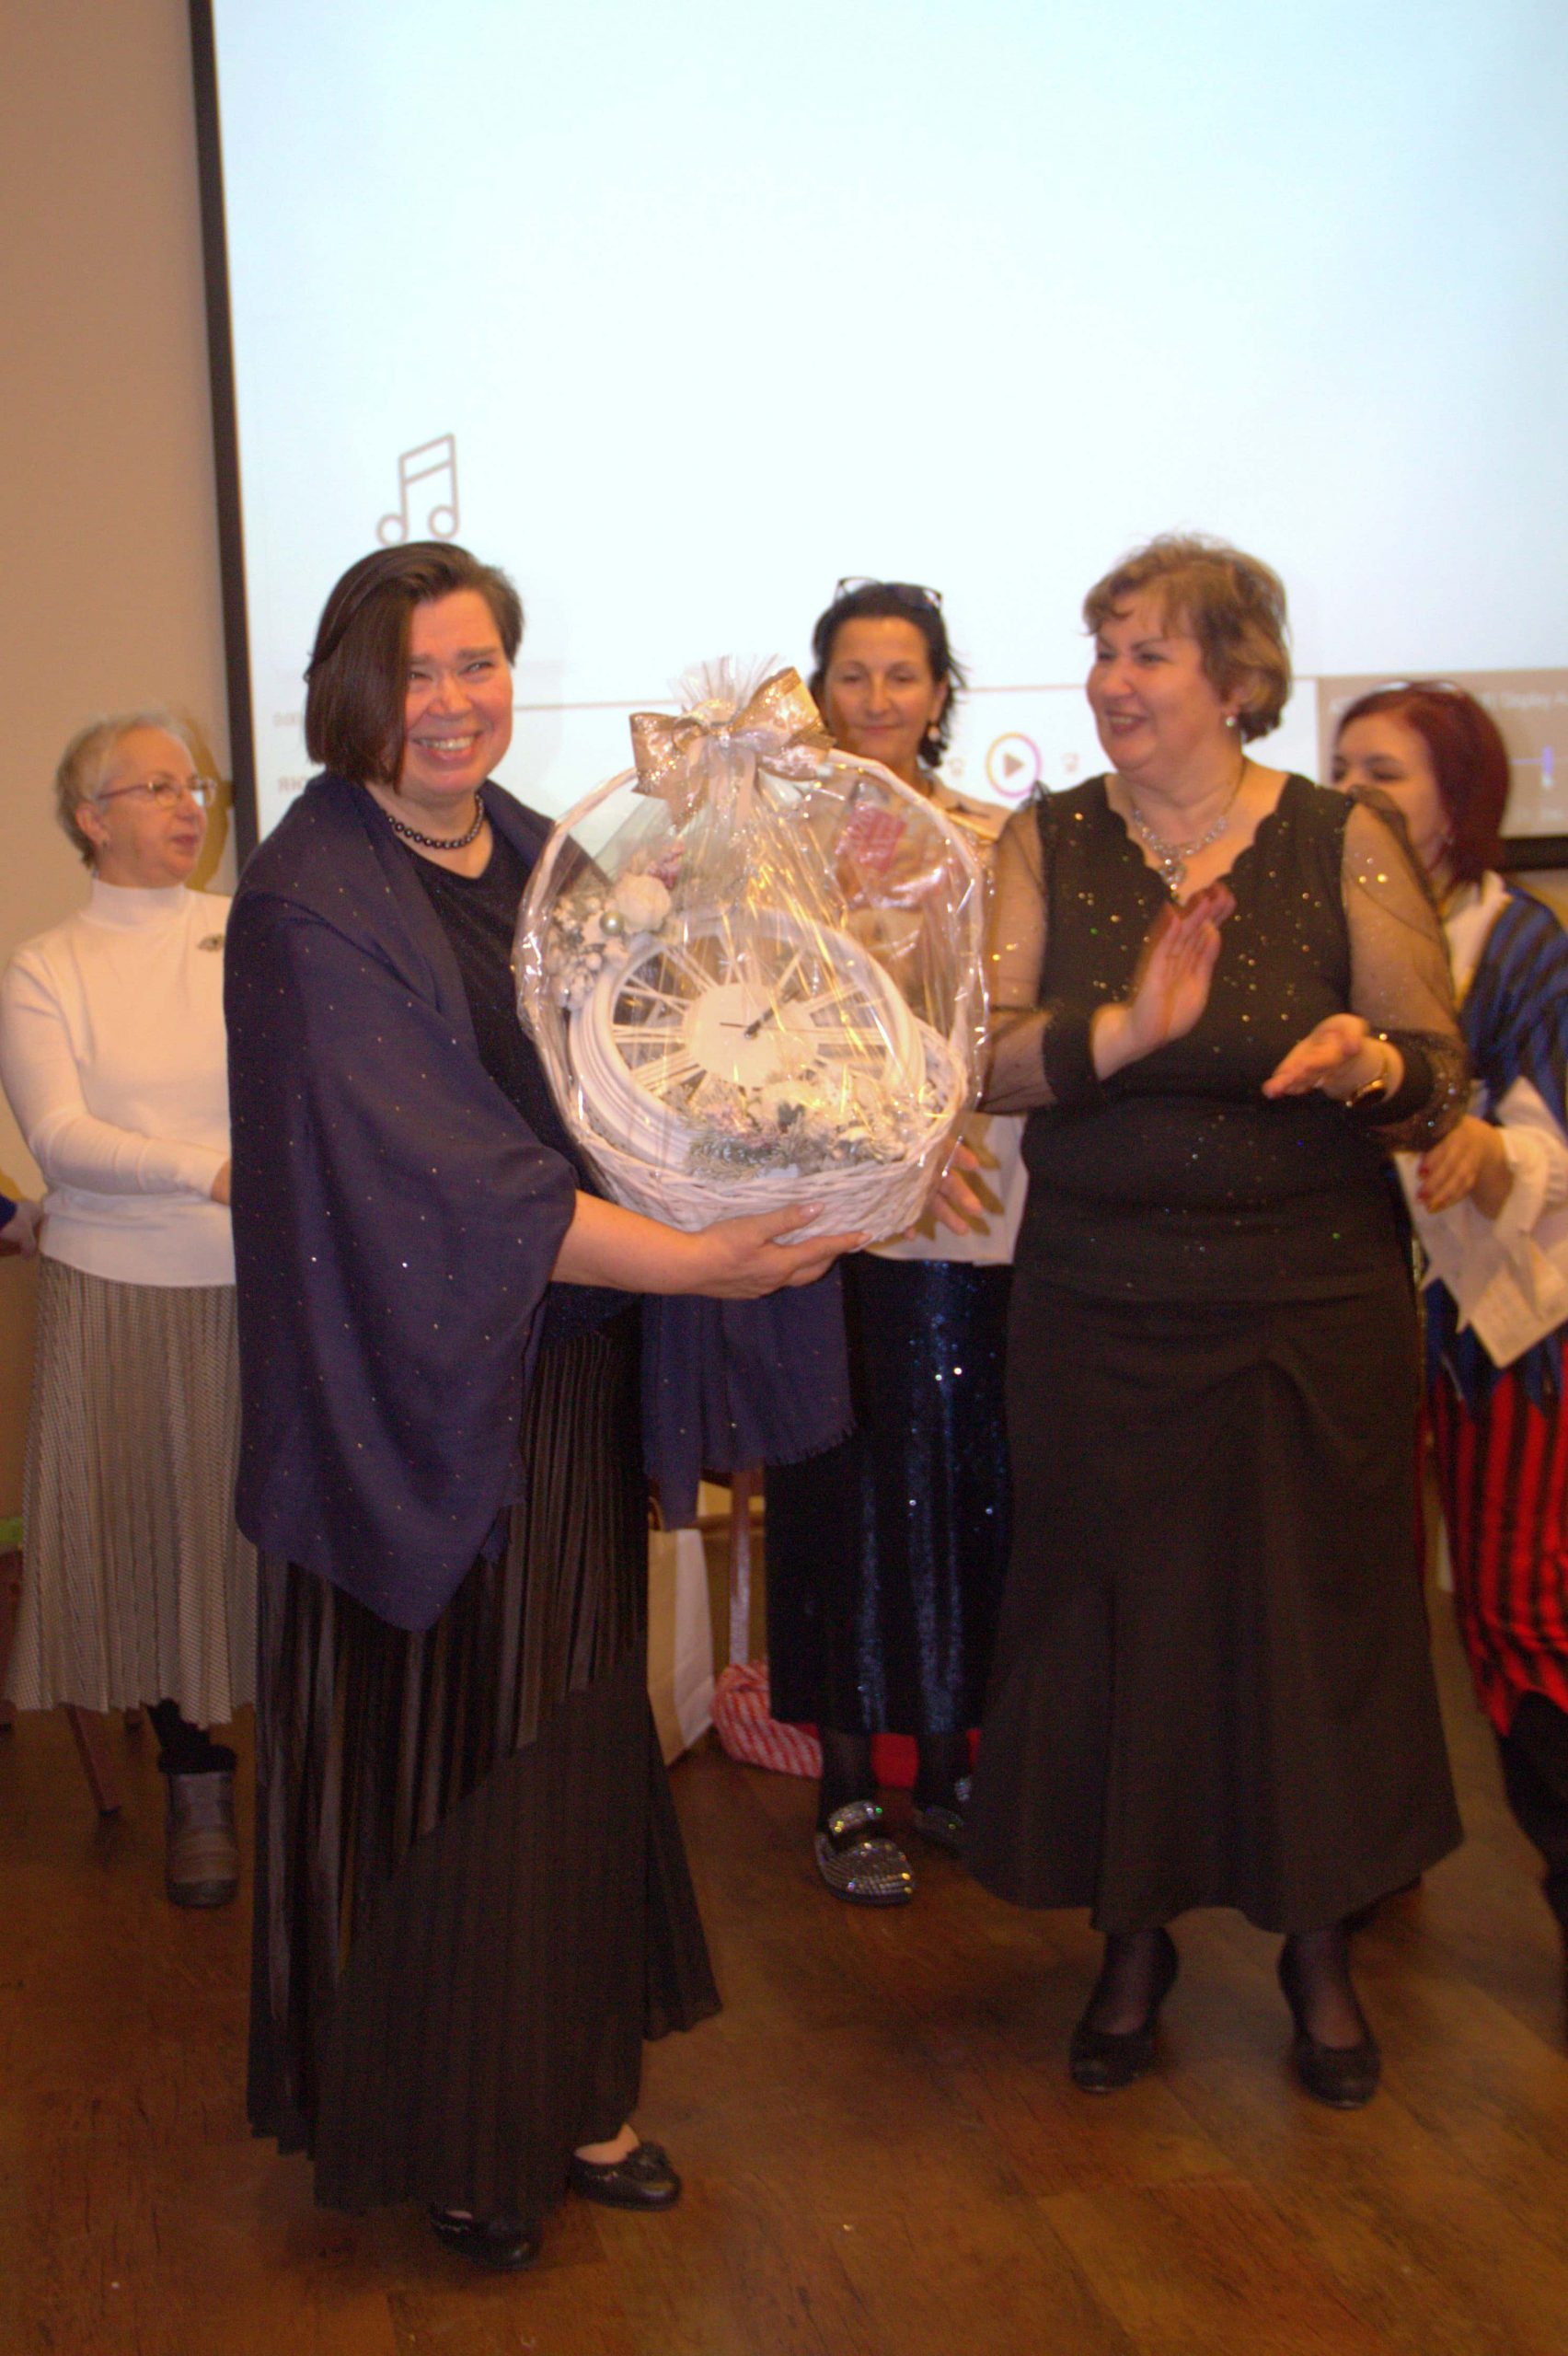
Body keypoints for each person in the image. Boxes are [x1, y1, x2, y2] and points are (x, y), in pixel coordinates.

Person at [228, 542, 860, 2272]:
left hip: (561, 1376)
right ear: (351, 689)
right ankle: (462, 2122)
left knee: (572, 1736)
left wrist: (784, 1128)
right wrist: (697, 1262)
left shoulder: (537, 854)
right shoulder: (309, 900)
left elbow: (645, 1063)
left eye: (479, 665)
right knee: (458, 1757)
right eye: (418, 672)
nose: (452, 703)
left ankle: (575, 2085)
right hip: (408, 1412)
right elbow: (454, 1182)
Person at [965, 535, 1469, 2108]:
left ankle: (1320, 1950)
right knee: (1115, 1621)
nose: (1110, 683)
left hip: (1306, 1302)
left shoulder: (1339, 839)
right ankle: (1133, 1942)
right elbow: (978, 1056)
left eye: (1148, 654)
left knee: (1312, 1626)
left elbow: (1434, 1073)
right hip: (1100, 1301)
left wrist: (1367, 1067)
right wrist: (1129, 1029)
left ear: (1238, 681)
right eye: (1102, 651)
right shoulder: (1048, 839)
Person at [764, 579, 1023, 1903]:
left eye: (902, 674)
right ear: (820, 693)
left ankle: (959, 1766)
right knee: (848, 1496)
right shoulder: (768, 849)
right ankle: (848, 1781)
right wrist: (878, 1158)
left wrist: (944, 1142)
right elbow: (754, 1033)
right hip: (833, 1221)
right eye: (852, 675)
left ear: (940, 691)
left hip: (979, 1210)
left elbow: (1016, 1026)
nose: (877, 699)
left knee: (977, 1483)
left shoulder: (997, 841)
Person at [0, 713, 254, 1906]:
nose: (187, 803)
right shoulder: (46, 967)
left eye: (191, 782)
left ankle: (300, 1759)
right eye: (154, 787)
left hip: (263, 1284)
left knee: (258, 1533)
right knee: (151, 1533)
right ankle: (195, 1775)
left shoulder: (252, 933)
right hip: (116, 1286)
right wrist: (209, 1172)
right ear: (89, 819)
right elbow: (60, 1139)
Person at [1332, 683, 1568, 1958]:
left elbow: (1555, 1134)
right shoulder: (1316, 931)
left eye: (1387, 772)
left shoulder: (1522, 944)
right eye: (1341, 767)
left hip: (1503, 1331)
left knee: (1517, 1607)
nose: (1354, 792)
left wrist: (1494, 1153)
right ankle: (1376, 1852)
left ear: (1456, 798)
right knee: (1358, 1603)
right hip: (1349, 1320)